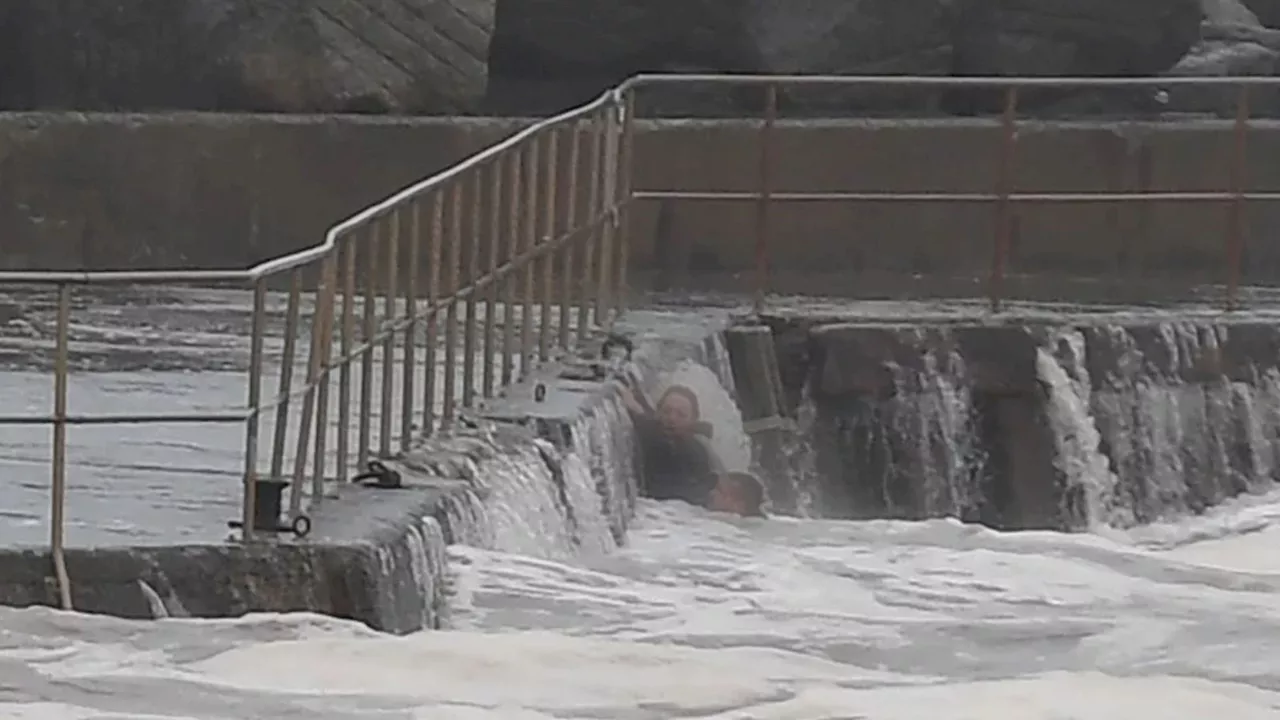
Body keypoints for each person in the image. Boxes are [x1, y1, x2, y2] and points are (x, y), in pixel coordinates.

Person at [619, 380, 725, 506]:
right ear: (658, 413)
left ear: (693, 421)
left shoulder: (694, 450)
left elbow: (659, 442)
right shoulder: (662, 431)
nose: (672, 418)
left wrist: (637, 411)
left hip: (688, 512)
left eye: (681, 415)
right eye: (666, 411)